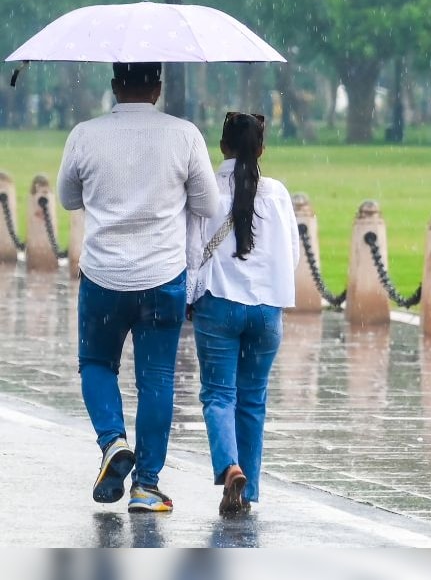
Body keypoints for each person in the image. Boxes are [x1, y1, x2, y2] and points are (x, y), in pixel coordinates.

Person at [58, 61, 221, 513]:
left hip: (103, 277)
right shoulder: (184, 134)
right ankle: (147, 485)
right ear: (157, 88)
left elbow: (68, 197)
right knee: (156, 380)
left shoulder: (84, 135)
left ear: (114, 86)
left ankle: (112, 441)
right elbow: (208, 203)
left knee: (95, 363)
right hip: (162, 278)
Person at [186, 112, 300, 517]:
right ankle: (247, 490)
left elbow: (192, 249)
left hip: (219, 303)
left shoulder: (206, 191)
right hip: (267, 310)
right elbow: (293, 254)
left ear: (222, 147)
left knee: (219, 394)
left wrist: (187, 297)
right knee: (253, 400)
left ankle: (229, 465)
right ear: (262, 148)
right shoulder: (278, 193)